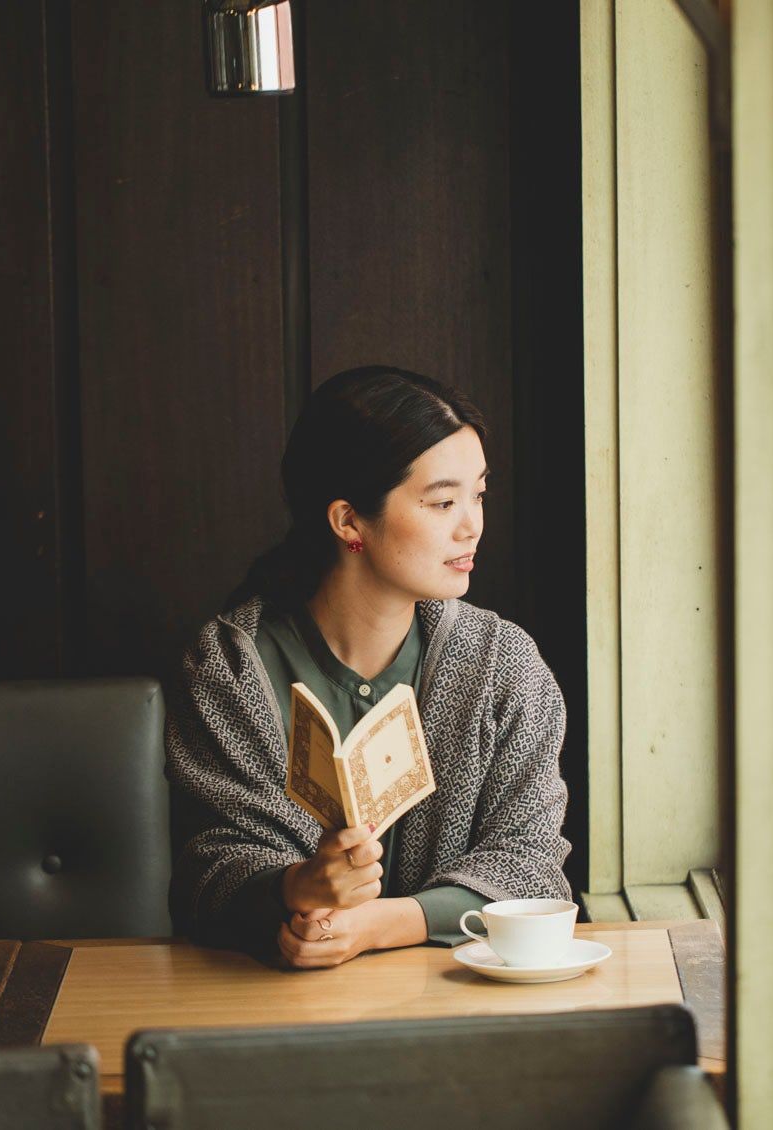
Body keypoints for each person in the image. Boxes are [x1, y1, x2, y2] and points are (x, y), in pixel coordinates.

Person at [165, 365, 572, 968]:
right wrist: (295, 889)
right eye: (442, 502)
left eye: (479, 494)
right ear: (349, 520)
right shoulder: (232, 665)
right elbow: (209, 875)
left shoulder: (503, 664)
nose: (473, 525)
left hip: (457, 1008)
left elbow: (533, 867)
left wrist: (380, 925)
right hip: (268, 1013)